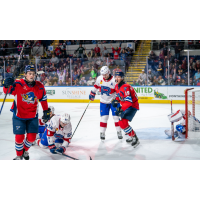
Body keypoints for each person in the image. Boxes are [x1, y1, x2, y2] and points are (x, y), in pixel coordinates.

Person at [2, 65, 50, 160]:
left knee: (32, 138)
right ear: (25, 74)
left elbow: (43, 99)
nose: (31, 76)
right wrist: (6, 84)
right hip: (19, 116)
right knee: (19, 138)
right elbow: (7, 91)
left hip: (32, 116)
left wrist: (46, 111)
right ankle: (19, 155)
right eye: (29, 74)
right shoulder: (18, 83)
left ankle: (24, 151)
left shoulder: (39, 86)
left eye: (33, 74)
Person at [89, 66, 122, 141]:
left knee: (116, 117)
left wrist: (117, 99)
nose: (104, 76)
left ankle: (119, 131)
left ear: (109, 72)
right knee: (104, 118)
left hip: (113, 102)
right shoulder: (99, 78)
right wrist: (92, 93)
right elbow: (96, 86)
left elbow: (118, 91)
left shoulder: (114, 80)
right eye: (103, 74)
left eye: (105, 74)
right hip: (103, 102)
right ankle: (102, 133)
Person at [111, 71, 140, 148]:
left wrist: (120, 109)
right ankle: (131, 136)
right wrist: (116, 100)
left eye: (118, 77)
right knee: (121, 123)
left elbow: (129, 102)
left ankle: (135, 138)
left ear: (122, 78)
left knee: (123, 123)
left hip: (132, 106)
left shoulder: (126, 86)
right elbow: (119, 96)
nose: (116, 78)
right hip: (126, 105)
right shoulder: (117, 86)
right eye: (116, 77)